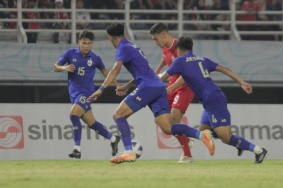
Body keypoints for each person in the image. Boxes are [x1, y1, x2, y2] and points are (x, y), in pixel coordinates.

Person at [87, 23, 215, 164]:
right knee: (167, 127)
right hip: (159, 87)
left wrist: (101, 89)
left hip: (148, 87)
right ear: (124, 34)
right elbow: (145, 71)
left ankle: (129, 152)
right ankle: (201, 135)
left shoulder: (122, 48)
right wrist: (128, 85)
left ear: (110, 38)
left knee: (118, 115)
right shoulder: (132, 46)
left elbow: (115, 69)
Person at [160, 36, 268, 164]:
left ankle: (258, 150)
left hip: (213, 99)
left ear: (178, 50)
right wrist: (241, 82)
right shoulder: (202, 59)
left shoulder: (180, 61)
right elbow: (223, 69)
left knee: (226, 138)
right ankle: (239, 143)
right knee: (202, 132)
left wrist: (150, 87)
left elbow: (163, 77)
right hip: (210, 99)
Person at [53, 29, 120, 159]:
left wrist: (117, 85)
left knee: (73, 115)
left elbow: (106, 73)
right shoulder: (70, 53)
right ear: (79, 42)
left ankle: (77, 149)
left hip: (87, 93)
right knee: (91, 123)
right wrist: (64, 68)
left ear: (92, 44)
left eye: (89, 43)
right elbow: (55, 66)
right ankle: (113, 138)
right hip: (74, 94)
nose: (86, 46)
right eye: (84, 43)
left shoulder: (95, 59)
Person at [150, 22, 195, 163]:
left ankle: (187, 155)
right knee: (161, 121)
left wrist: (169, 88)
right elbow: (166, 58)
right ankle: (186, 138)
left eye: (156, 39)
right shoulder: (165, 47)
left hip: (184, 87)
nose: (155, 42)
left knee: (174, 121)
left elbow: (186, 75)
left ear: (164, 35)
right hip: (171, 86)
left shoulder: (180, 48)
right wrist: (157, 71)